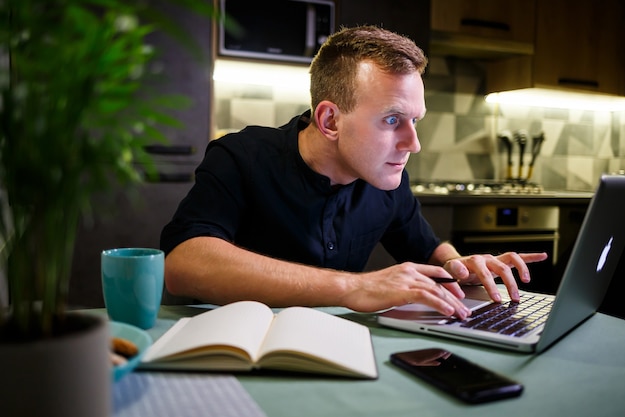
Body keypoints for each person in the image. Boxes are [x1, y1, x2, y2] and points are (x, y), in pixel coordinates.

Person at [160, 25, 547, 319]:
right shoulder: (242, 156)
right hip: (231, 350)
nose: (413, 143)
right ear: (330, 120)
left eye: (415, 120)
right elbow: (183, 264)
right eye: (393, 119)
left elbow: (428, 250)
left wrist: (462, 268)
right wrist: (352, 287)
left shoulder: (387, 180)